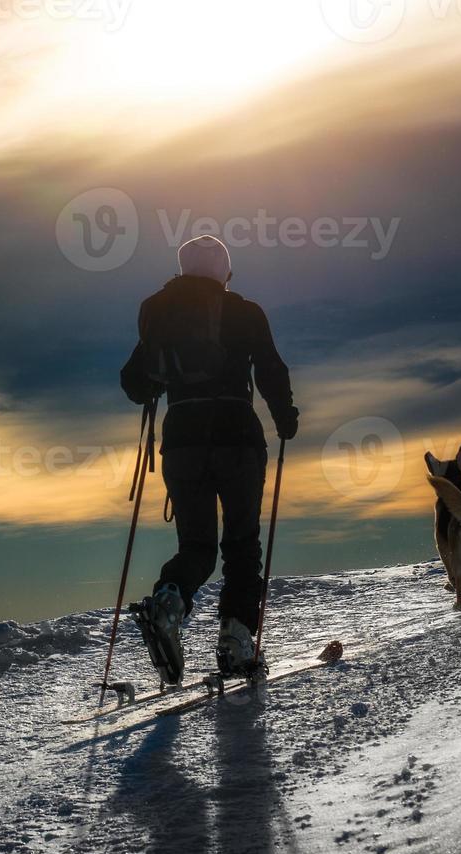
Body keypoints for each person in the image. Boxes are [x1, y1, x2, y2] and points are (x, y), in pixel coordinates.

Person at [120, 235, 299, 684]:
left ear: (182, 271)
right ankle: (237, 641)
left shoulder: (162, 317)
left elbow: (134, 382)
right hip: (237, 436)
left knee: (196, 546)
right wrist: (285, 417)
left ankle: (168, 603)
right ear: (224, 272)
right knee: (241, 544)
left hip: (181, 440)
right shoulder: (245, 311)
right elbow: (272, 370)